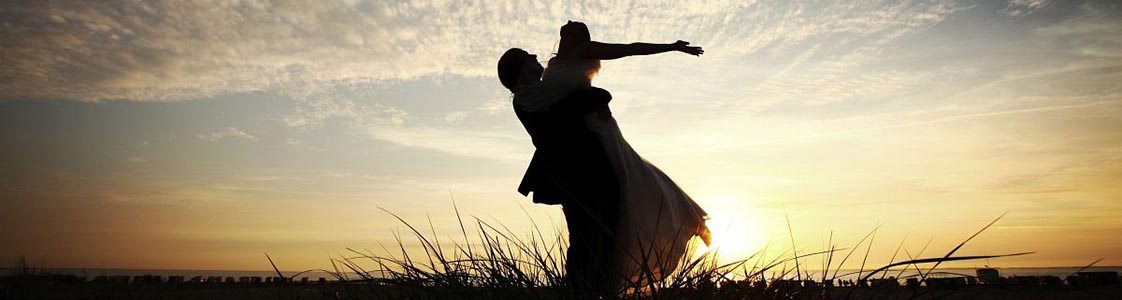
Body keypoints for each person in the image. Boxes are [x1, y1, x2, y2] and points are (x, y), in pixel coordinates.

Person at [545, 21, 711, 287]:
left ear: (580, 35)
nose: (569, 21)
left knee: (632, 177)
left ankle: (689, 219)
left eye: (576, 24)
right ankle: (594, 276)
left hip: (595, 127)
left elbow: (630, 49)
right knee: (622, 185)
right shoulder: (554, 62)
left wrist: (672, 47)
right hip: (573, 133)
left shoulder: (584, 49)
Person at [498, 48, 621, 298]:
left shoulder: (546, 93)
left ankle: (594, 290)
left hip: (590, 172)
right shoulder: (529, 100)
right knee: (586, 240)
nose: (535, 58)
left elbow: (591, 98)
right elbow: (588, 100)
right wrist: (587, 94)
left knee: (600, 238)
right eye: (528, 57)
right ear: (519, 68)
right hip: (577, 177)